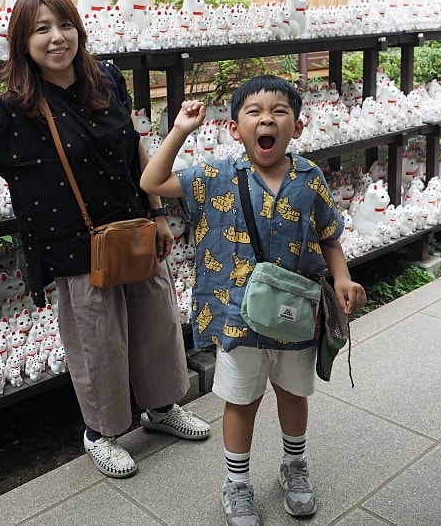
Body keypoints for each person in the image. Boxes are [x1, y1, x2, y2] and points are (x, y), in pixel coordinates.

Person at [0, 0, 210, 479]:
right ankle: (101, 432)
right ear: (22, 42)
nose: (56, 38)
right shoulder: (15, 106)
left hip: (132, 226)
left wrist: (156, 213)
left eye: (63, 25)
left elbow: (134, 147)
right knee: (98, 342)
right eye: (41, 29)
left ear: (78, 29)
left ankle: (160, 410)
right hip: (74, 244)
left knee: (156, 321)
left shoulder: (106, 78)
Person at [140, 75, 366, 525]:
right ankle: (237, 484)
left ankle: (293, 466)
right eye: (254, 112)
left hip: (297, 316)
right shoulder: (216, 176)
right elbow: (152, 180)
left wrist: (341, 276)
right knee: (241, 400)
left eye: (280, 112)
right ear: (234, 128)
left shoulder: (309, 178)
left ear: (297, 128)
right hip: (237, 317)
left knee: (293, 393)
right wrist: (182, 129)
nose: (267, 119)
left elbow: (329, 235)